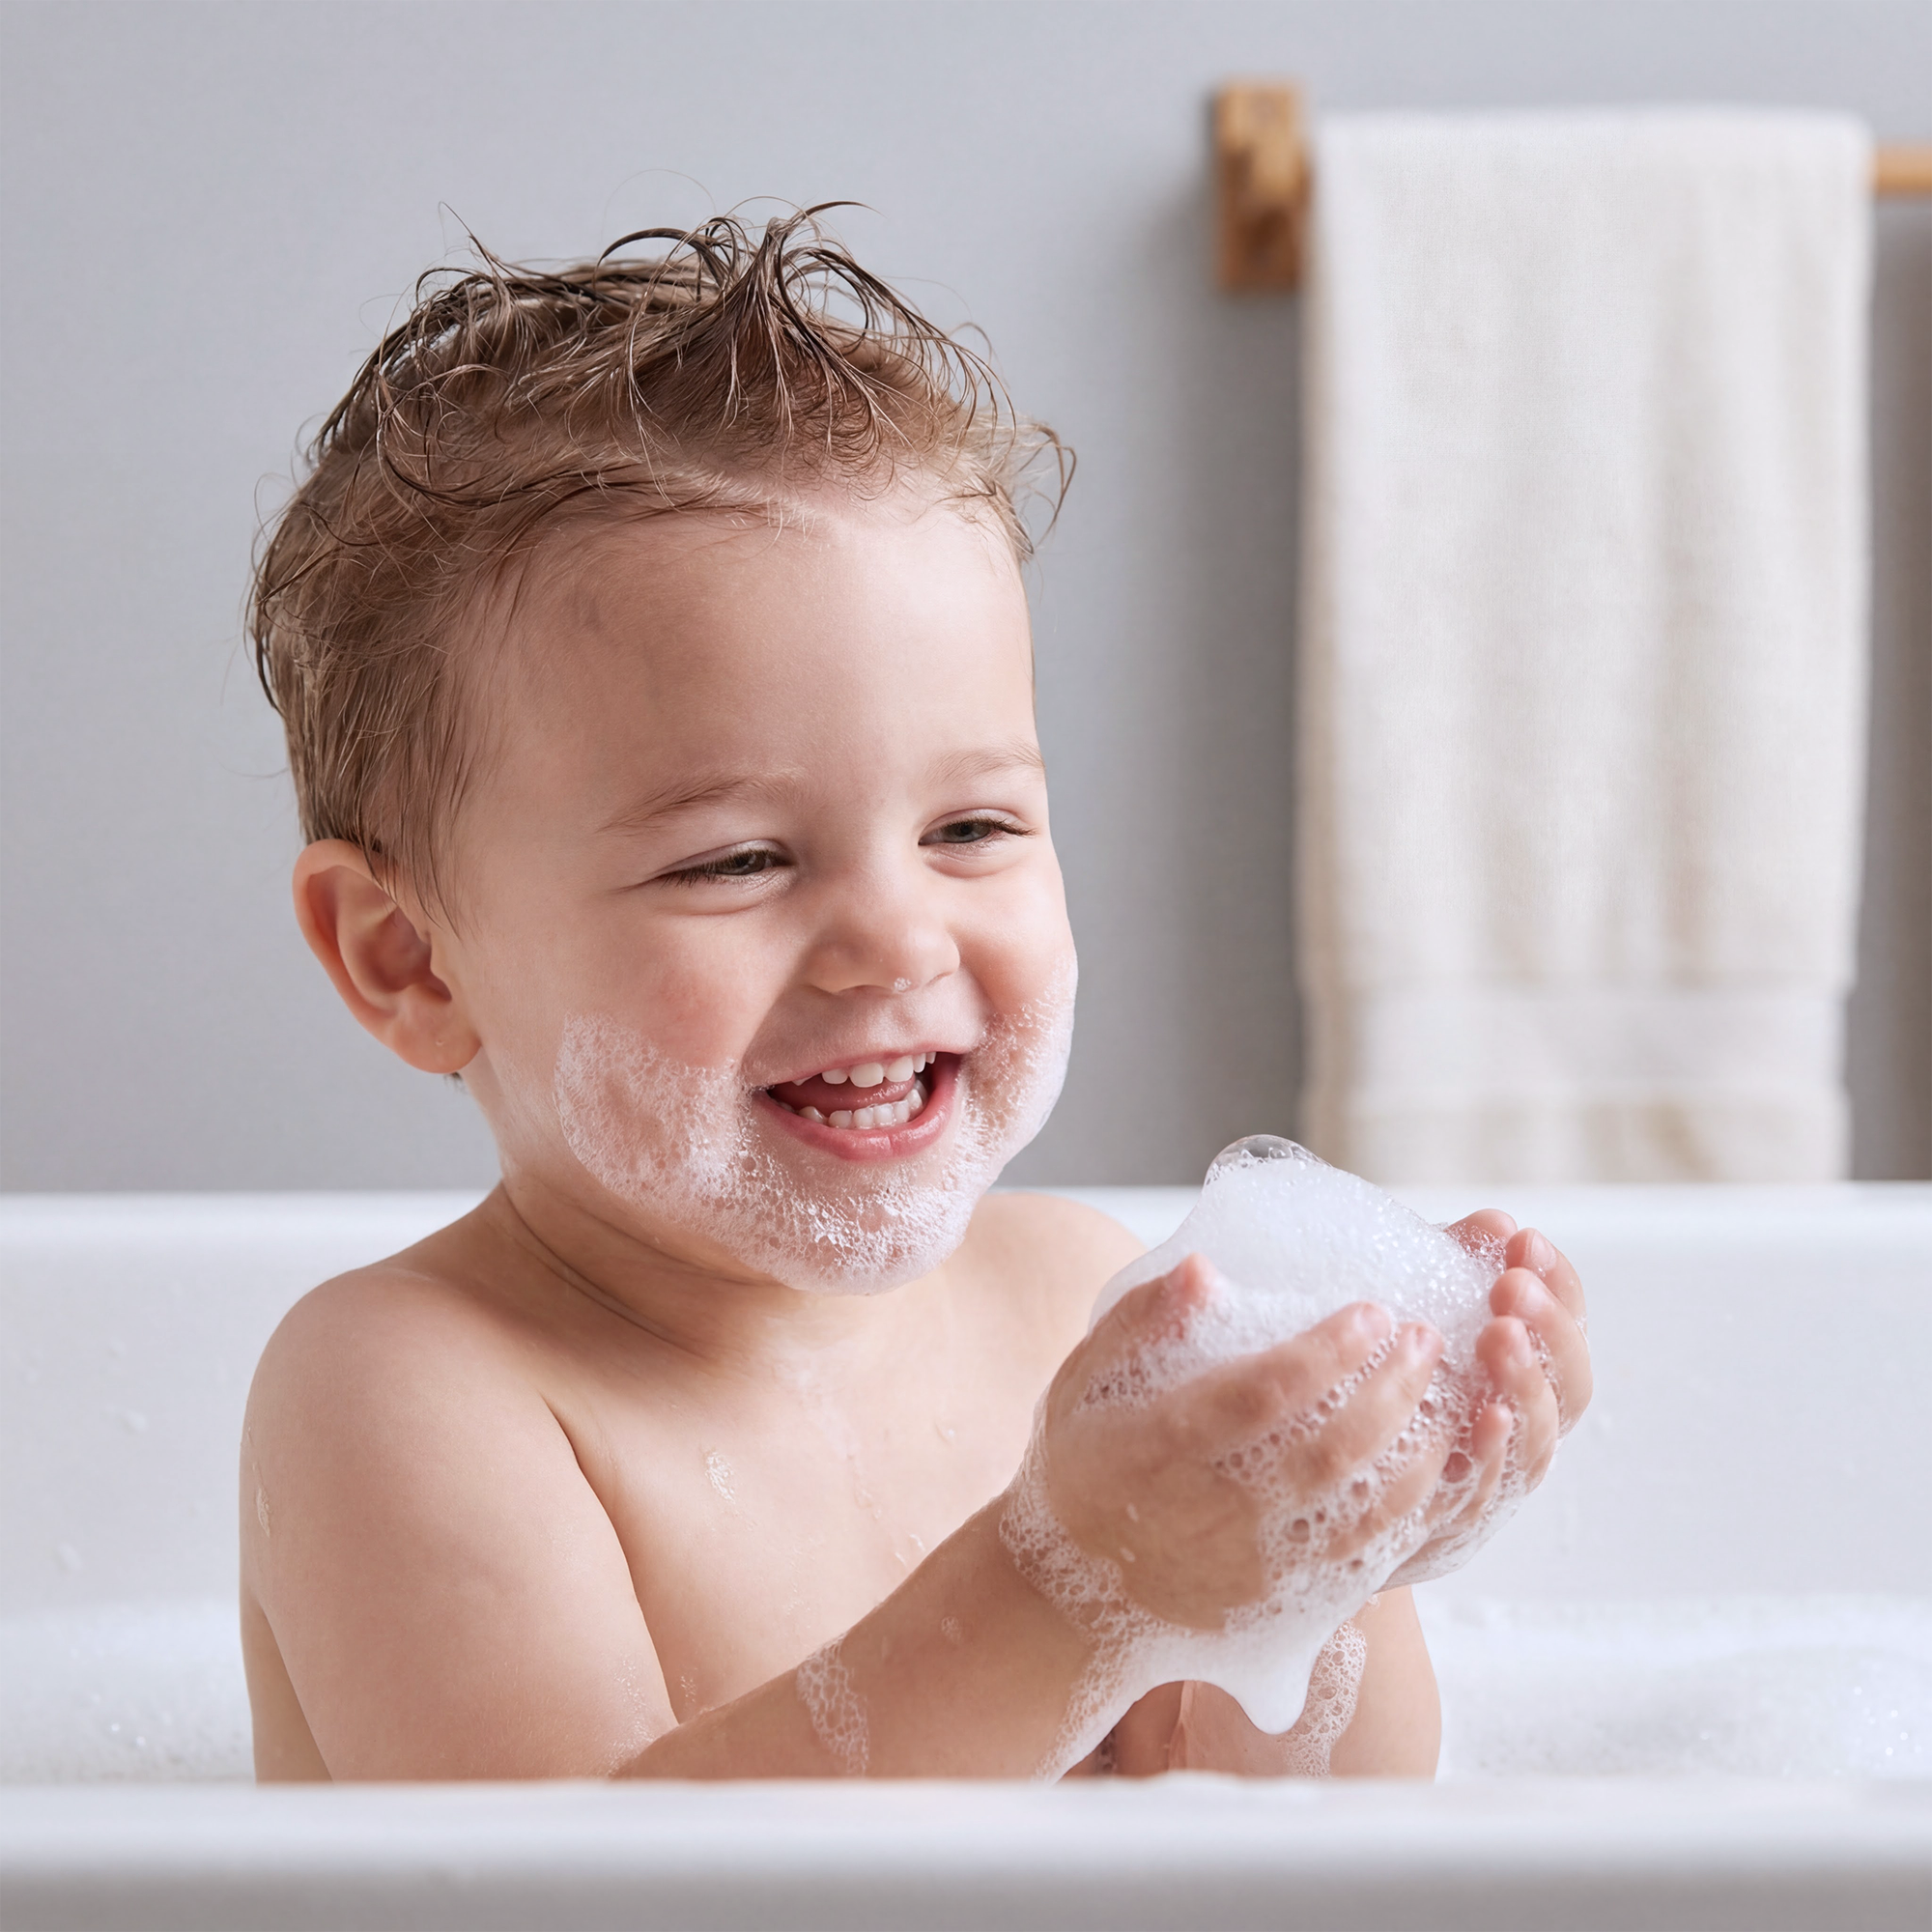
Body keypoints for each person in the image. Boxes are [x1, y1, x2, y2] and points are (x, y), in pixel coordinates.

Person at [241, 211, 1591, 1781]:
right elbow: (576, 1897)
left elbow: (1293, 1833)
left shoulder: (1066, 1304)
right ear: (407, 958)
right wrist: (1063, 1584)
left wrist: (1340, 1545)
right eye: (737, 860)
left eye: (972, 829)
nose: (895, 940)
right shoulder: (418, 1393)